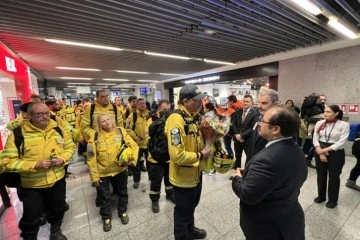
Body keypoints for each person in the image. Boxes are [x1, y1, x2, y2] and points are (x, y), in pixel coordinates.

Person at [1, 103, 75, 240]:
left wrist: (63, 158)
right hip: (32, 185)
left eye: (46, 113)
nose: (44, 117)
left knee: (58, 209)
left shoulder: (58, 129)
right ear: (29, 116)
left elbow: (70, 147)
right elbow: (6, 162)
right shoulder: (18, 133)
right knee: (31, 218)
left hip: (57, 180)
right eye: (39, 114)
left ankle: (55, 232)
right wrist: (34, 164)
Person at [232, 105, 307, 240]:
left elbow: (247, 195)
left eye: (263, 121)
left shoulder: (268, 159)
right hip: (289, 217)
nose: (259, 123)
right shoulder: (295, 149)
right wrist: (252, 174)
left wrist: (237, 178)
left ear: (276, 129)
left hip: (268, 227)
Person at [165, 84, 211, 240]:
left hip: (196, 173)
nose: (201, 102)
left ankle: (190, 229)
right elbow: (177, 155)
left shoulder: (193, 116)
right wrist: (200, 155)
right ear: (186, 101)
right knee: (183, 210)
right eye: (197, 100)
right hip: (183, 177)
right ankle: (182, 235)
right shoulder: (176, 119)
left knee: (192, 206)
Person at [87, 113, 138, 231]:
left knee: (123, 192)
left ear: (113, 120)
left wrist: (132, 161)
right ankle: (106, 218)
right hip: (102, 173)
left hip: (120, 170)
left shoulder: (120, 131)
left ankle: (123, 212)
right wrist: (94, 177)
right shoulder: (94, 136)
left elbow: (134, 146)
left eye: (109, 119)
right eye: (103, 121)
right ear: (99, 124)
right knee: (104, 197)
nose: (107, 122)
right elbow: (91, 158)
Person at [313, 105, 349, 208]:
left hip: (335, 152)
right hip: (319, 149)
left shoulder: (343, 125)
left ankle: (333, 200)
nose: (325, 114)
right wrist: (320, 152)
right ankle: (321, 196)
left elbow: (341, 142)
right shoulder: (319, 123)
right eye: (324, 111)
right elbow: (315, 138)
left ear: (336, 113)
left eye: (328, 112)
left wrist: (324, 151)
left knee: (333, 176)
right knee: (321, 175)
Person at [147, 99, 175, 213]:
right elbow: (148, 137)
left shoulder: (173, 120)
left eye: (168, 109)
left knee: (170, 180)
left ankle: (170, 195)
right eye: (164, 109)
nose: (167, 111)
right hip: (155, 158)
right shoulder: (152, 120)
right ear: (159, 109)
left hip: (169, 157)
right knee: (156, 181)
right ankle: (155, 200)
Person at [230, 95, 259, 180]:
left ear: (251, 102)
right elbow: (233, 124)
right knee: (237, 157)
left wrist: (242, 136)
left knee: (248, 158)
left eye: (247, 101)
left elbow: (252, 128)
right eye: (244, 101)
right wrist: (237, 135)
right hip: (237, 139)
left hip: (248, 140)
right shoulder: (238, 112)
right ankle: (236, 174)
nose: (245, 103)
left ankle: (246, 175)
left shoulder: (255, 113)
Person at [247, 89, 279, 162]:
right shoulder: (259, 118)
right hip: (254, 162)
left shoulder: (280, 123)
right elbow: (253, 144)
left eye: (264, 103)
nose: (259, 106)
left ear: (275, 104)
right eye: (259, 102)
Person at [125, 98, 150, 188]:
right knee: (136, 164)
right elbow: (127, 129)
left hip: (148, 143)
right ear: (137, 105)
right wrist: (136, 137)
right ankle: (136, 180)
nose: (143, 105)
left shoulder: (150, 114)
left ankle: (151, 178)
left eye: (144, 103)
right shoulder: (132, 115)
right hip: (137, 144)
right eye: (140, 104)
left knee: (150, 162)